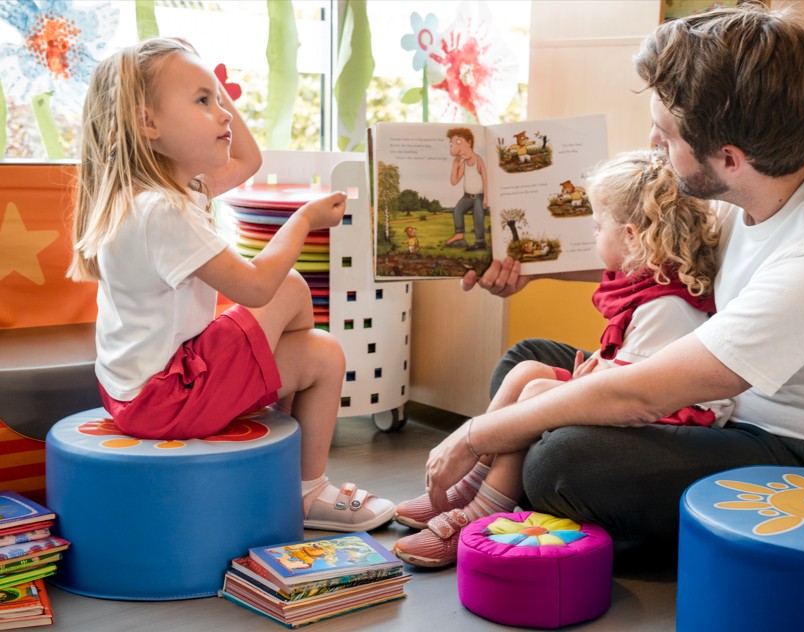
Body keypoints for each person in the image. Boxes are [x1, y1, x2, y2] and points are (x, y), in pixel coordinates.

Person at [428, 1, 804, 559]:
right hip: (733, 406)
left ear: (730, 159)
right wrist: (534, 272)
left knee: (560, 460)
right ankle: (516, 495)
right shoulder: (800, 150)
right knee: (525, 359)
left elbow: (639, 395)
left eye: (666, 132)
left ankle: (539, 504)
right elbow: (669, 252)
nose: (653, 140)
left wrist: (473, 435)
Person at [66, 37, 394, 532]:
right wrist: (302, 220)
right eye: (203, 101)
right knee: (287, 288)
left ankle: (295, 468)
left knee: (321, 354)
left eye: (219, 99)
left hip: (141, 392)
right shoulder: (163, 211)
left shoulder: (158, 194)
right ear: (147, 123)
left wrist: (211, 89)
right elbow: (258, 288)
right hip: (165, 397)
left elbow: (247, 159)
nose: (223, 114)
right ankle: (302, 485)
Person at [392, 149, 734, 567]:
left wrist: (596, 377)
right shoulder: (647, 278)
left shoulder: (665, 306)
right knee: (526, 370)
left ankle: (482, 512)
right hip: (647, 392)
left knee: (538, 390)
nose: (592, 237)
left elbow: (645, 395)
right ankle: (470, 484)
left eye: (596, 227)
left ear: (630, 237)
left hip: (681, 417)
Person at [445, 127, 489, 250]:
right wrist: (455, 164)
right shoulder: (464, 164)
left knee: (478, 218)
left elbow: (486, 179)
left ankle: (480, 242)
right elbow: (454, 181)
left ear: (469, 142)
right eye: (452, 143)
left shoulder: (478, 160)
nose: (454, 146)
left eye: (458, 142)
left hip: (478, 197)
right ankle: (459, 234)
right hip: (467, 197)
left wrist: (486, 197)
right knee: (457, 210)